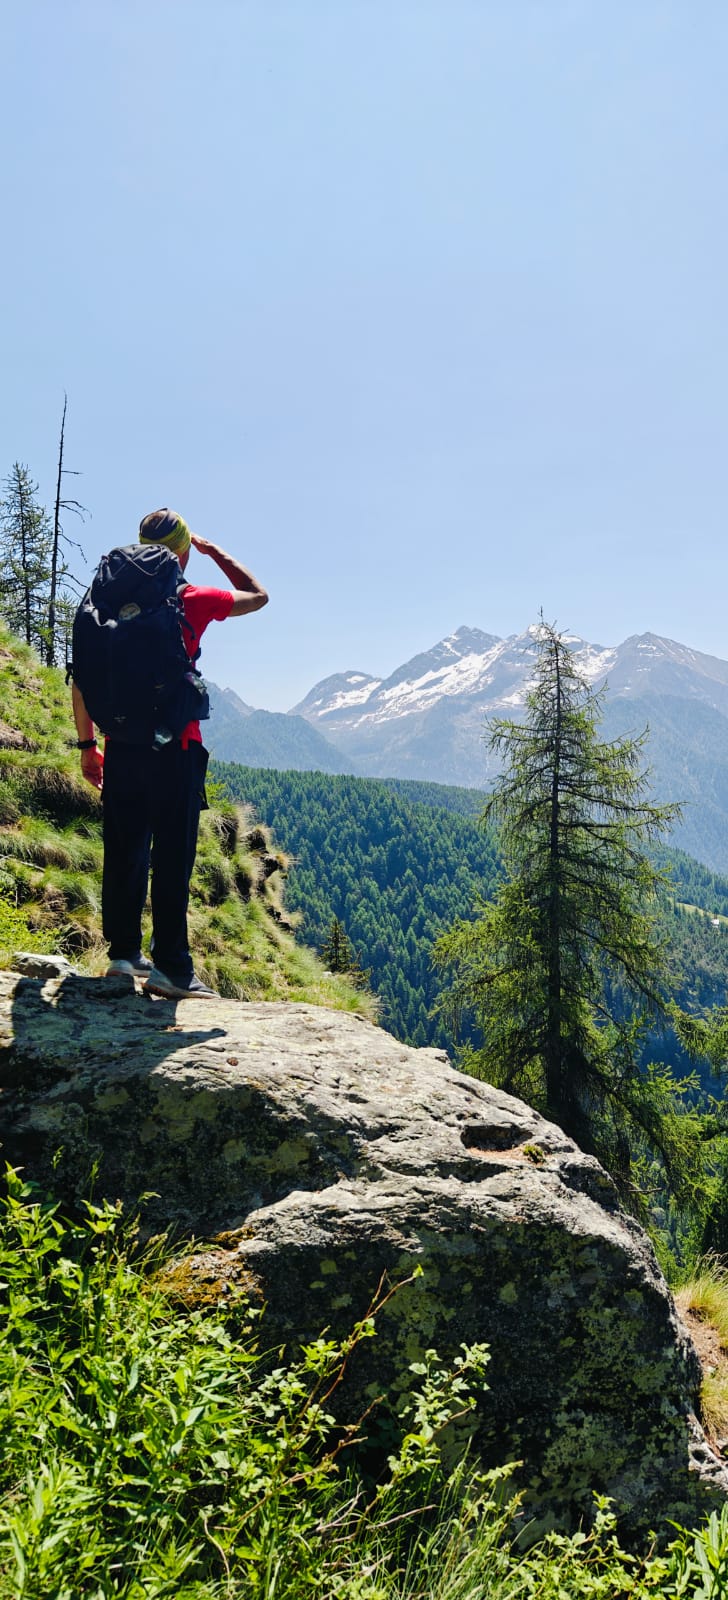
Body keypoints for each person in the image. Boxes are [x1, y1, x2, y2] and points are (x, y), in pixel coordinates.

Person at [72, 508, 268, 998]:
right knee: (173, 858)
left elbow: (83, 679)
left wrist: (88, 746)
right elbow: (258, 596)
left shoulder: (103, 603)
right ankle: (172, 969)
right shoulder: (190, 599)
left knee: (124, 852)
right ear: (182, 552)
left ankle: (122, 957)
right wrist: (214, 551)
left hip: (119, 748)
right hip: (176, 748)